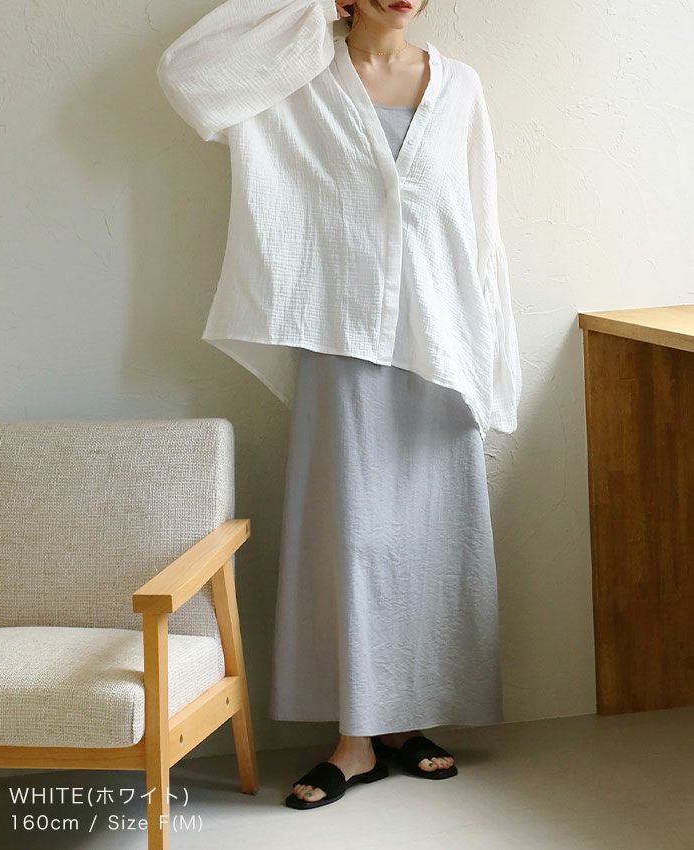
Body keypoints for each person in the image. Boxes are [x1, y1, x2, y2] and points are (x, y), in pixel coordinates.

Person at [156, 0, 522, 810]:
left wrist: (491, 355)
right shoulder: (297, 74)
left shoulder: (459, 86)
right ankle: (354, 738)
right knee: (349, 537)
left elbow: (481, 226)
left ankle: (405, 722)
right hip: (340, 330)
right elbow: (188, 76)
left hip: (440, 341)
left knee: (433, 536)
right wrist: (317, 7)